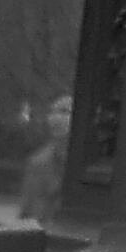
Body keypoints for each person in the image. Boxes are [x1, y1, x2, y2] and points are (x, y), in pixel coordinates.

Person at [17, 95, 73, 226]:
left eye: (65, 112)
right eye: (52, 112)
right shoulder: (37, 162)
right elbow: (27, 212)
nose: (55, 118)